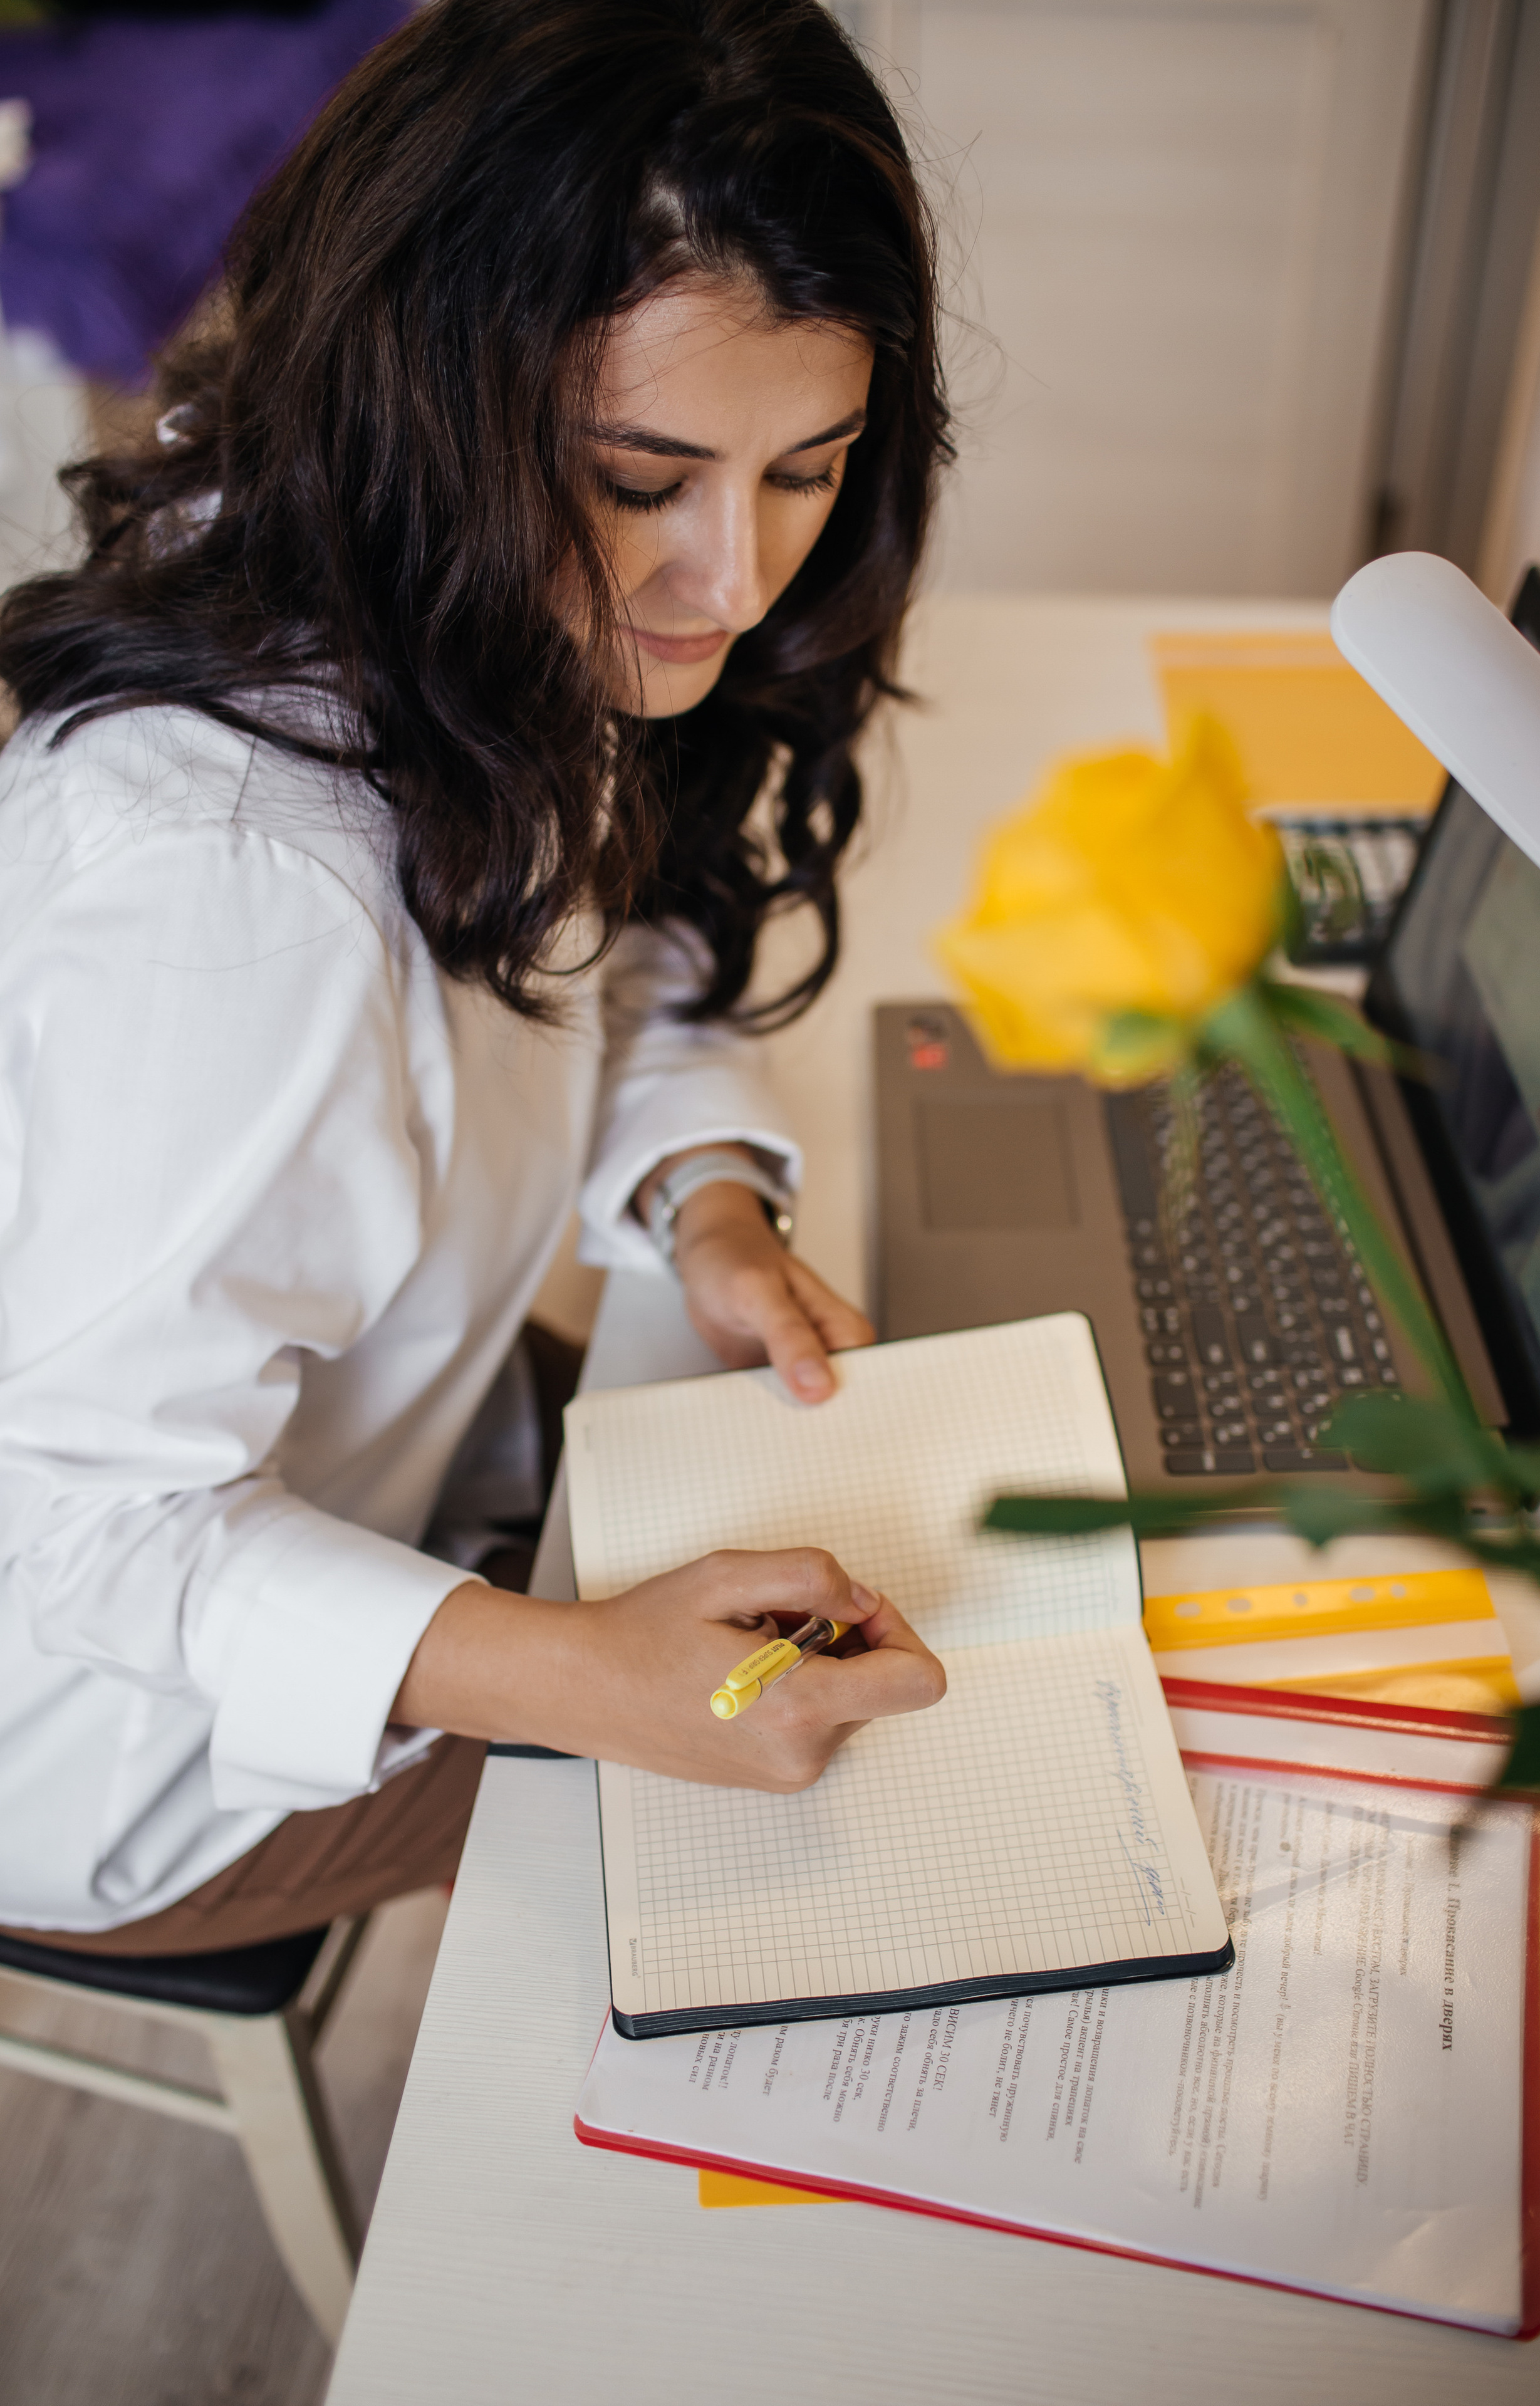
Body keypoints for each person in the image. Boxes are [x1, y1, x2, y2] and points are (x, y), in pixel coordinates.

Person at [0, 0, 952, 1955]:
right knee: (872, 1816)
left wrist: (704, 1193)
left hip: (368, 1461)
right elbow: (76, 1521)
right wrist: (583, 1680)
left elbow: (621, 921)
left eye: (809, 468)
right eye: (645, 480)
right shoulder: (240, 882)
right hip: (108, 1725)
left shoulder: (460, 594)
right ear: (429, 399)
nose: (735, 578)